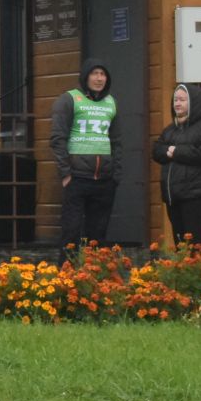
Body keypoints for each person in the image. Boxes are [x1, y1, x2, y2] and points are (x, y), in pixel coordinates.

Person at [52, 58, 120, 255]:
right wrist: (65, 173)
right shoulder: (69, 99)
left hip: (105, 179)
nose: (99, 78)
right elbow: (58, 138)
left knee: (98, 235)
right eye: (95, 74)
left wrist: (116, 175)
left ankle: (95, 279)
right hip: (77, 177)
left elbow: (117, 142)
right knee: (71, 232)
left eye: (103, 74)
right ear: (85, 76)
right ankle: (67, 277)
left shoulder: (112, 103)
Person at [154, 83, 201, 248]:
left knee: (195, 247)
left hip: (195, 197)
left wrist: (175, 152)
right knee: (181, 247)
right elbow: (157, 151)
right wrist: (170, 150)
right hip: (173, 197)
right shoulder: (171, 129)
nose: (177, 103)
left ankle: (198, 274)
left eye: (182, 100)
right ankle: (184, 273)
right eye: (175, 100)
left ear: (193, 102)